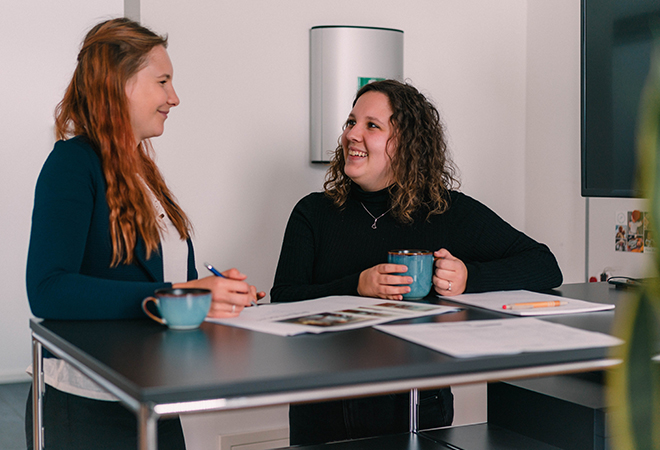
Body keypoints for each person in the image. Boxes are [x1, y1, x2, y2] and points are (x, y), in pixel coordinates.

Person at [271, 79, 563, 445]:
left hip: (415, 408)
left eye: (371, 126)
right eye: (350, 122)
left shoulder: (446, 211)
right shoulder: (313, 213)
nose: (351, 135)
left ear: (407, 143)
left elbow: (544, 263)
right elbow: (282, 300)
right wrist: (355, 287)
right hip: (320, 408)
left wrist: (469, 277)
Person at [24, 18, 263, 450]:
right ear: (119, 85)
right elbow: (48, 289)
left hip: (152, 396)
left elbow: (160, 282)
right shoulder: (71, 165)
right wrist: (180, 293)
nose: (174, 97)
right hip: (88, 406)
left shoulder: (142, 171)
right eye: (163, 81)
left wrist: (214, 295)